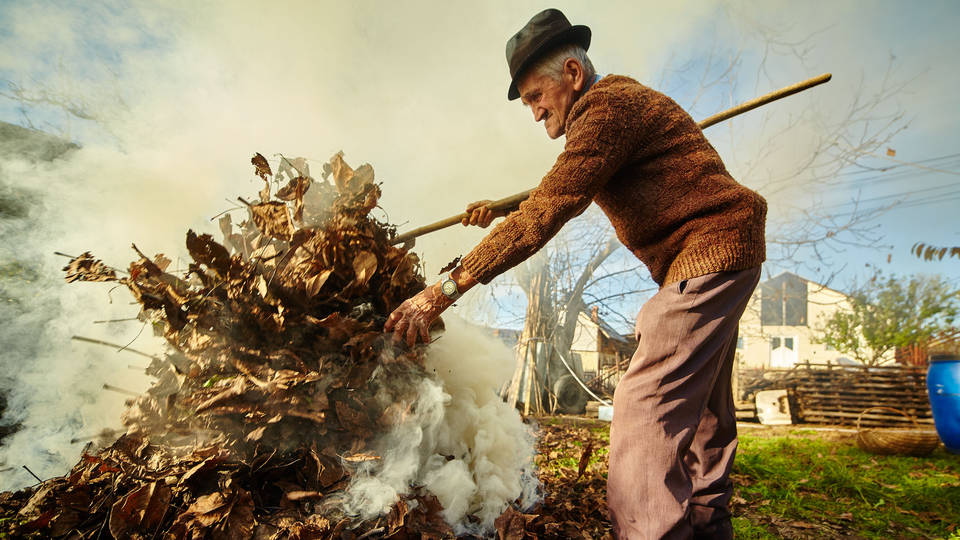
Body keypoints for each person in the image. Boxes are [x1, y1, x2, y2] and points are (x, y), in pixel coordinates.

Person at [384, 8, 766, 539]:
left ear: (572, 74)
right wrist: (497, 210)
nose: (535, 112)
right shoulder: (614, 112)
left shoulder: (607, 110)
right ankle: (706, 527)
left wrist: (444, 289)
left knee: (645, 407)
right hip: (728, 252)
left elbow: (548, 209)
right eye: (527, 104)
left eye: (537, 96)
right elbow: (551, 191)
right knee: (702, 414)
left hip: (708, 254)